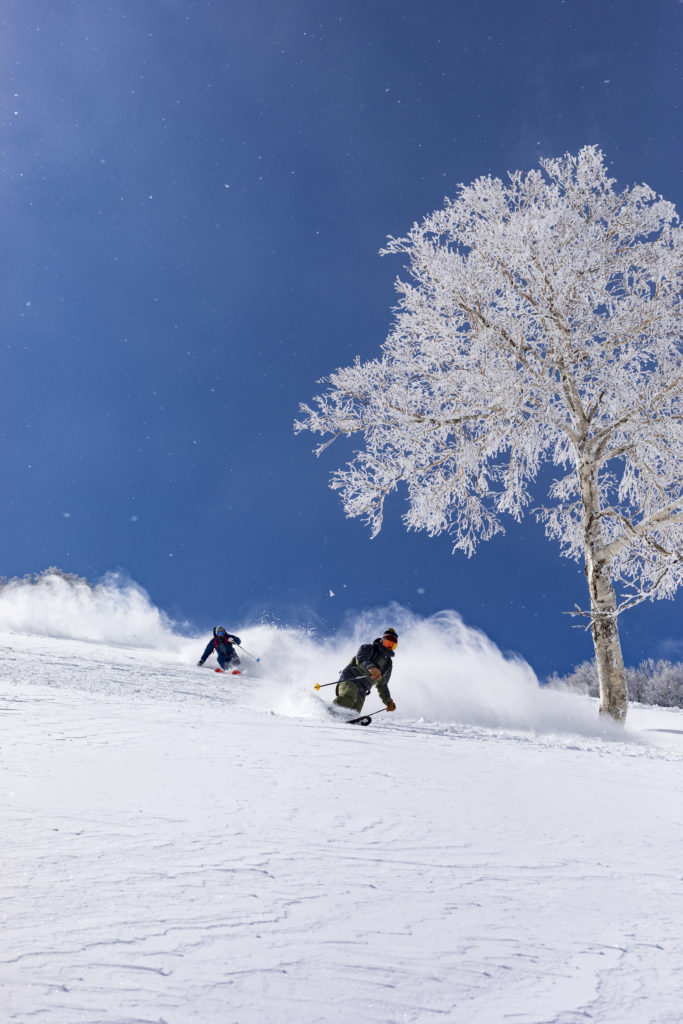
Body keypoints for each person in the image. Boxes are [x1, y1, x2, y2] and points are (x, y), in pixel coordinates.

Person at [334, 628, 398, 713]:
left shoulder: (388, 664)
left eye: (393, 645)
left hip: (363, 689)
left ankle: (347, 723)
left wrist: (388, 701)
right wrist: (371, 668)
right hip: (351, 679)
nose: (389, 647)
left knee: (355, 711)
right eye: (388, 643)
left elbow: (383, 685)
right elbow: (361, 659)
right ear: (382, 641)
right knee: (348, 699)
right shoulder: (368, 648)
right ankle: (330, 714)